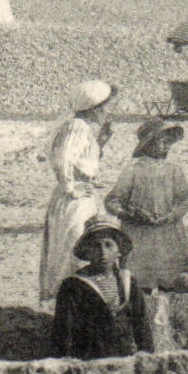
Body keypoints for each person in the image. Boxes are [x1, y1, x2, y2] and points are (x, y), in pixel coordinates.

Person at [38, 80, 116, 304]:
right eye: (106, 107)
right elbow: (63, 159)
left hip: (83, 196)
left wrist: (100, 141)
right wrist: (71, 188)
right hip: (75, 199)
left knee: (82, 243)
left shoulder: (83, 128)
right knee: (73, 245)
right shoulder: (77, 127)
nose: (108, 112)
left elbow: (83, 160)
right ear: (95, 108)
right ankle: (67, 297)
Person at [104, 118, 188, 290]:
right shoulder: (133, 170)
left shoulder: (174, 170)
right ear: (148, 144)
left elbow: (185, 198)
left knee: (173, 282)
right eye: (162, 142)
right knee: (138, 283)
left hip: (169, 233)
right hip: (138, 234)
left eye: (169, 142)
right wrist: (129, 214)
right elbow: (112, 200)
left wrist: (171, 215)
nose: (167, 146)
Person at [51, 216, 154, 359]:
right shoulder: (73, 285)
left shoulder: (127, 281)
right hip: (89, 357)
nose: (102, 252)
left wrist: (147, 356)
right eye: (96, 246)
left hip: (124, 356)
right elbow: (64, 330)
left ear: (119, 250)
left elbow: (141, 322)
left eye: (108, 245)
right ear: (87, 251)